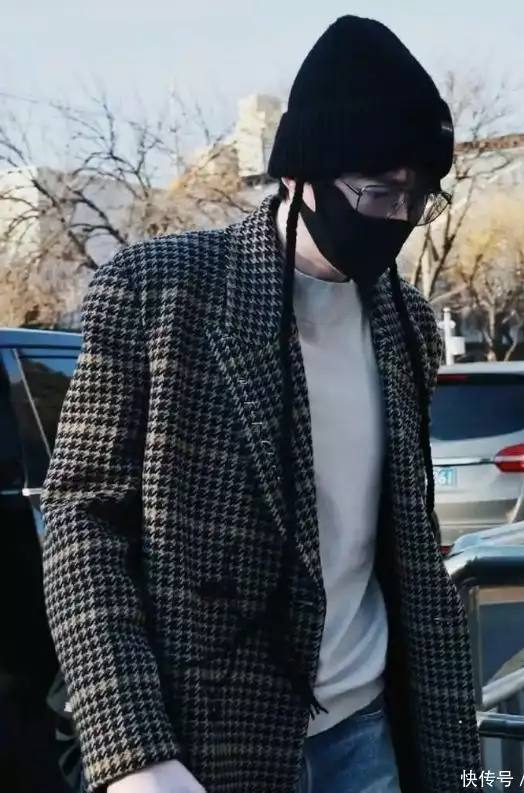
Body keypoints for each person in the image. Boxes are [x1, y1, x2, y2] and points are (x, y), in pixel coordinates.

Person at [41, 14, 482, 793]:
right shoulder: (158, 293)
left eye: (418, 197)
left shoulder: (407, 323)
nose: (399, 218)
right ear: (298, 176)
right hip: (201, 734)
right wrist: (132, 750)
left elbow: (400, 533)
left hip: (368, 727)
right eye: (379, 191)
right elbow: (84, 521)